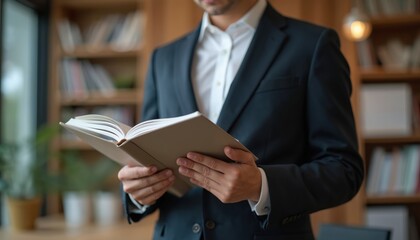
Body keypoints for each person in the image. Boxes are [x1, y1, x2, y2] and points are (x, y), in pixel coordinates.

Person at [117, 0, 364, 239]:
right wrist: (138, 193)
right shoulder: (164, 57)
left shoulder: (313, 46)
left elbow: (344, 170)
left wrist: (261, 186)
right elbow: (145, 154)